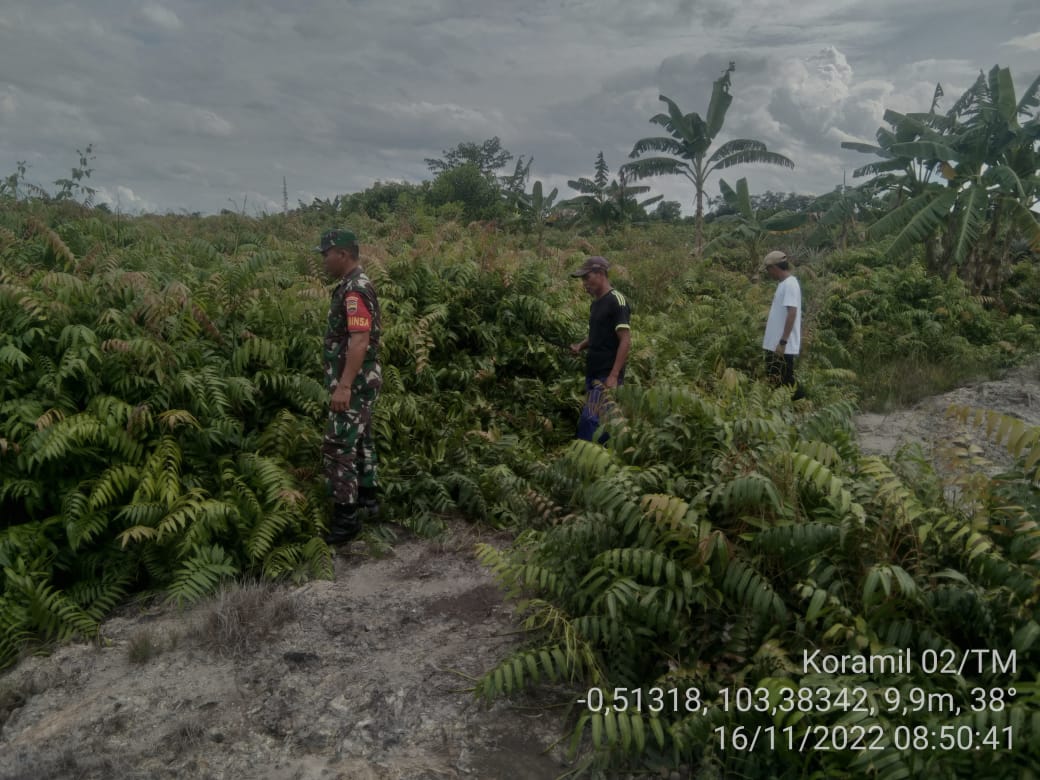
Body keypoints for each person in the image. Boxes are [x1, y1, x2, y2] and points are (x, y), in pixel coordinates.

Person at [317, 228, 382, 544]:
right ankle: (368, 501)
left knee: (338, 446)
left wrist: (343, 386)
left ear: (342, 253)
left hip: (353, 384)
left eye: (326, 253)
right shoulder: (354, 285)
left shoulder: (354, 290)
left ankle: (346, 521)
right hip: (362, 381)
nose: (323, 259)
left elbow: (359, 340)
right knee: (360, 440)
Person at [569, 256, 631, 441]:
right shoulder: (596, 303)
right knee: (603, 421)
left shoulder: (617, 301)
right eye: (582, 280)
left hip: (607, 374)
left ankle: (584, 462)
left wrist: (613, 375)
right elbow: (599, 334)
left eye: (587, 278)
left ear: (601, 274)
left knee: (590, 419)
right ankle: (605, 461)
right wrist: (581, 345)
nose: (584, 284)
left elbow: (625, 340)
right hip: (593, 372)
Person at [761, 249, 805, 400]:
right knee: (777, 380)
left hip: (781, 345)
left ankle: (803, 405)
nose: (768, 273)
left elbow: (792, 312)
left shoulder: (790, 284)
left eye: (768, 270)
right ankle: (787, 411)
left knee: (785, 382)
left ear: (774, 267)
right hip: (775, 344)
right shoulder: (784, 284)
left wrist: (783, 342)